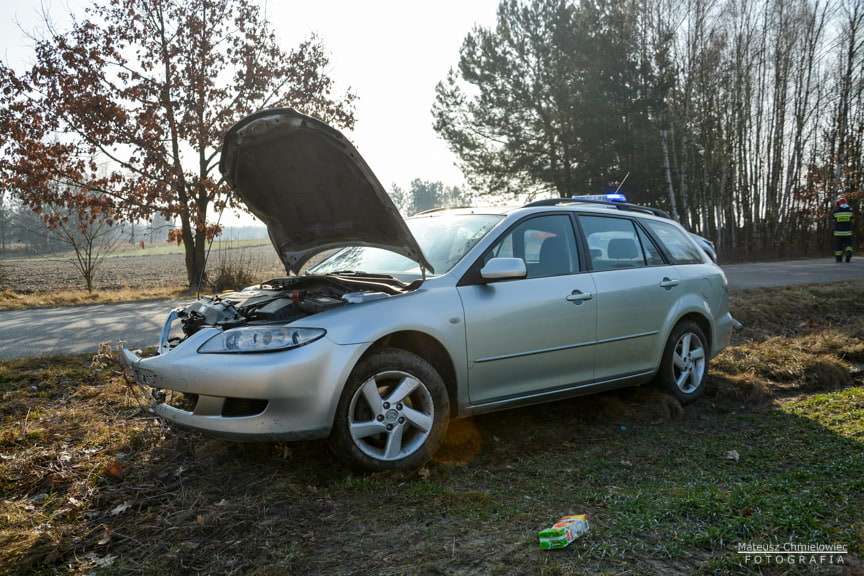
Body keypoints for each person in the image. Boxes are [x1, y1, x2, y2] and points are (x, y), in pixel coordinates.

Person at [831, 197, 854, 263]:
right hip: (848, 232)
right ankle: (848, 252)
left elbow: (833, 219)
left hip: (838, 233)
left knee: (838, 247)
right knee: (848, 244)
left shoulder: (835, 212)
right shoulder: (850, 212)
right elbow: (852, 218)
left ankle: (838, 259)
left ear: (839, 204)